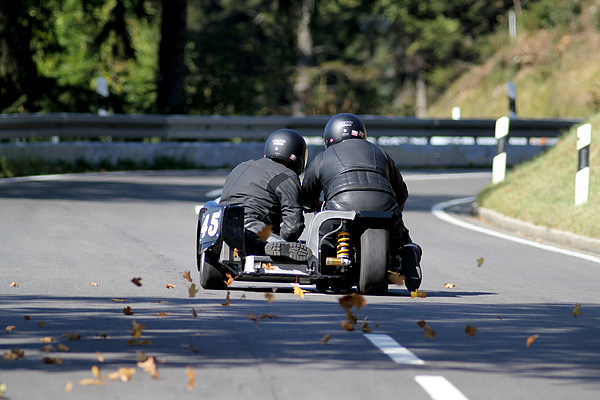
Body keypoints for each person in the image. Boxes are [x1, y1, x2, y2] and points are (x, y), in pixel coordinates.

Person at [301, 113, 422, 291]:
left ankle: (325, 264)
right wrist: (395, 214)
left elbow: (305, 194)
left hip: (341, 207)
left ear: (329, 137)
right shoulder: (380, 152)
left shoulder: (324, 156)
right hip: (384, 205)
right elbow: (402, 191)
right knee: (402, 238)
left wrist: (314, 206)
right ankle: (408, 251)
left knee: (324, 236)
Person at [218, 129, 312, 261]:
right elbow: (293, 226)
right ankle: (278, 246)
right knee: (295, 248)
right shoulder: (287, 176)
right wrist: (283, 238)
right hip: (253, 227)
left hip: (222, 222)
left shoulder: (242, 166)